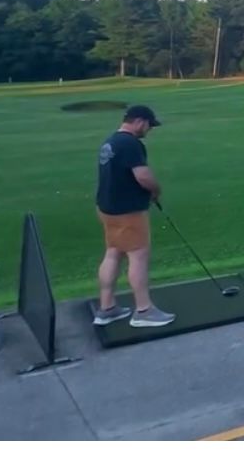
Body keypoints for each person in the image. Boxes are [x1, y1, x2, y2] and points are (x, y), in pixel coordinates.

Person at [94, 105, 175, 328]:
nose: (149, 130)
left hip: (107, 208)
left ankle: (107, 308)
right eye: (149, 125)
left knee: (113, 253)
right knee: (138, 256)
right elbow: (143, 176)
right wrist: (156, 191)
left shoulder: (110, 141)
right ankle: (144, 310)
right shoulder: (131, 143)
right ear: (140, 121)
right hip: (127, 211)